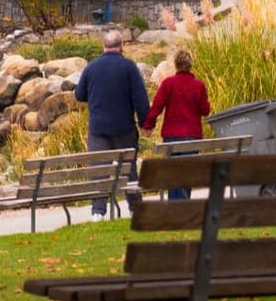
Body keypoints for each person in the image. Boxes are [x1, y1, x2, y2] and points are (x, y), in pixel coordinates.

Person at [74, 29, 150, 219]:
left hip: (98, 129)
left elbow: (79, 95)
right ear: (122, 45)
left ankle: (98, 212)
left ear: (103, 46)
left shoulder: (91, 67)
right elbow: (140, 98)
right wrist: (145, 122)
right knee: (128, 169)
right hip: (124, 127)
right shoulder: (129, 67)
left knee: (99, 171)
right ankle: (135, 208)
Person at [143, 48, 213, 198]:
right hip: (192, 135)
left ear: (176, 64)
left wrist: (148, 125)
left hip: (172, 135)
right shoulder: (198, 86)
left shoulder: (168, 84)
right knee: (187, 172)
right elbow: (205, 110)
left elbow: (157, 106)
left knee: (173, 171)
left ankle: (175, 204)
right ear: (190, 65)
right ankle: (182, 202)